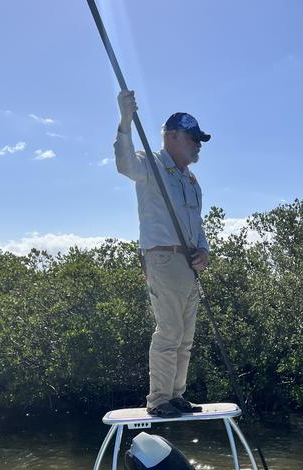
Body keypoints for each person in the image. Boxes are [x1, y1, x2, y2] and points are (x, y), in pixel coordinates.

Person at [115, 89, 211, 418]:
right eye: (192, 138)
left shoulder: (192, 180)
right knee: (169, 331)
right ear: (171, 137)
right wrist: (125, 121)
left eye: (199, 139)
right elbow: (124, 164)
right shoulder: (151, 164)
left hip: (188, 264)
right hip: (163, 258)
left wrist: (204, 251)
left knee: (185, 337)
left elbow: (197, 226)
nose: (197, 144)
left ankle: (176, 395)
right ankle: (158, 401)